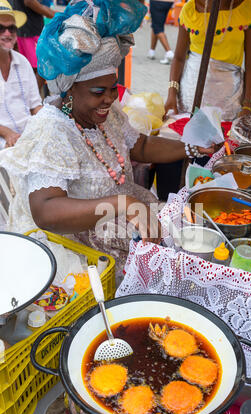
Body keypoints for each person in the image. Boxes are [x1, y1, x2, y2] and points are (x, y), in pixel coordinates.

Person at [0, 0, 216, 279]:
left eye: (113, 88)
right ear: (69, 90)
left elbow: (140, 145)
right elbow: (45, 211)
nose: (110, 98)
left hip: (122, 221)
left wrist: (189, 148)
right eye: (99, 91)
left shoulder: (105, 114)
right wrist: (121, 204)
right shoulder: (51, 130)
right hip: (77, 248)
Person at [164, 0, 251, 120]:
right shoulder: (189, 9)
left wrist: (247, 106)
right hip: (189, 97)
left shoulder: (248, 8)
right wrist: (172, 93)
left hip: (229, 102)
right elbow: (179, 58)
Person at [0, 0, 42, 149]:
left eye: (12, 28)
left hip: (28, 138)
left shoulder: (22, 62)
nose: (7, 33)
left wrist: (49, 122)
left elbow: (35, 105)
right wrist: (6, 133)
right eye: (1, 28)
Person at [12, 0, 56, 88]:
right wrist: (58, 16)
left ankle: (30, 97)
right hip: (30, 32)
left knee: (31, 69)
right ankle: (33, 99)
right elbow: (30, 2)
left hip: (25, 30)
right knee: (41, 67)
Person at [147, 0, 175, 64]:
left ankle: (169, 52)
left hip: (157, 2)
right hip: (169, 2)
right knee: (156, 24)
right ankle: (151, 51)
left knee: (158, 28)